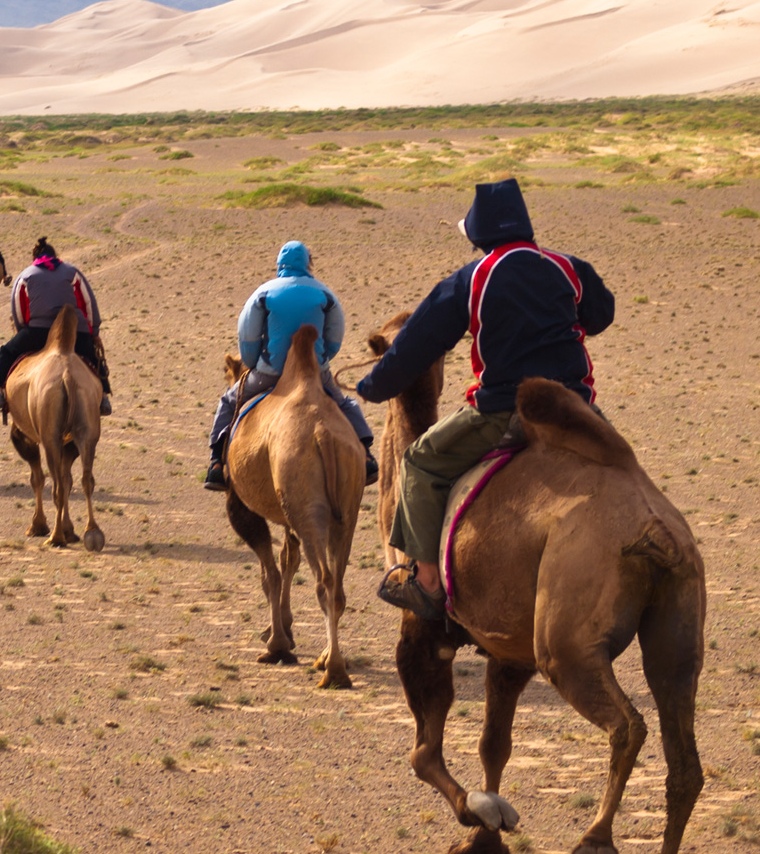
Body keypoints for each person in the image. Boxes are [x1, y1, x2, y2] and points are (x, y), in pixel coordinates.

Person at [359, 179, 613, 622]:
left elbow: (413, 348)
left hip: (505, 411)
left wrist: (372, 386)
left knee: (419, 462)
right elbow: (602, 315)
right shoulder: (568, 267)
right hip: (577, 409)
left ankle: (425, 583)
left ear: (478, 236)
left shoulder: (470, 280)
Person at [202, 241, 377, 491]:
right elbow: (335, 337)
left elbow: (247, 336)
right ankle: (367, 457)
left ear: (279, 265)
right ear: (308, 263)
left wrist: (253, 364)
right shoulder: (325, 294)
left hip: (270, 372)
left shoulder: (263, 293)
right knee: (344, 403)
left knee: (229, 402)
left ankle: (217, 464)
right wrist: (322, 359)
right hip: (314, 372)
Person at [0, 237, 111, 416]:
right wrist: (93, 331)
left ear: (35, 257)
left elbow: (18, 309)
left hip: (39, 331)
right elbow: (88, 303)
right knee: (93, 357)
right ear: (55, 256)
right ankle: (104, 396)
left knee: (6, 352)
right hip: (74, 331)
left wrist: (24, 331)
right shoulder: (72, 271)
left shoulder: (26, 275)